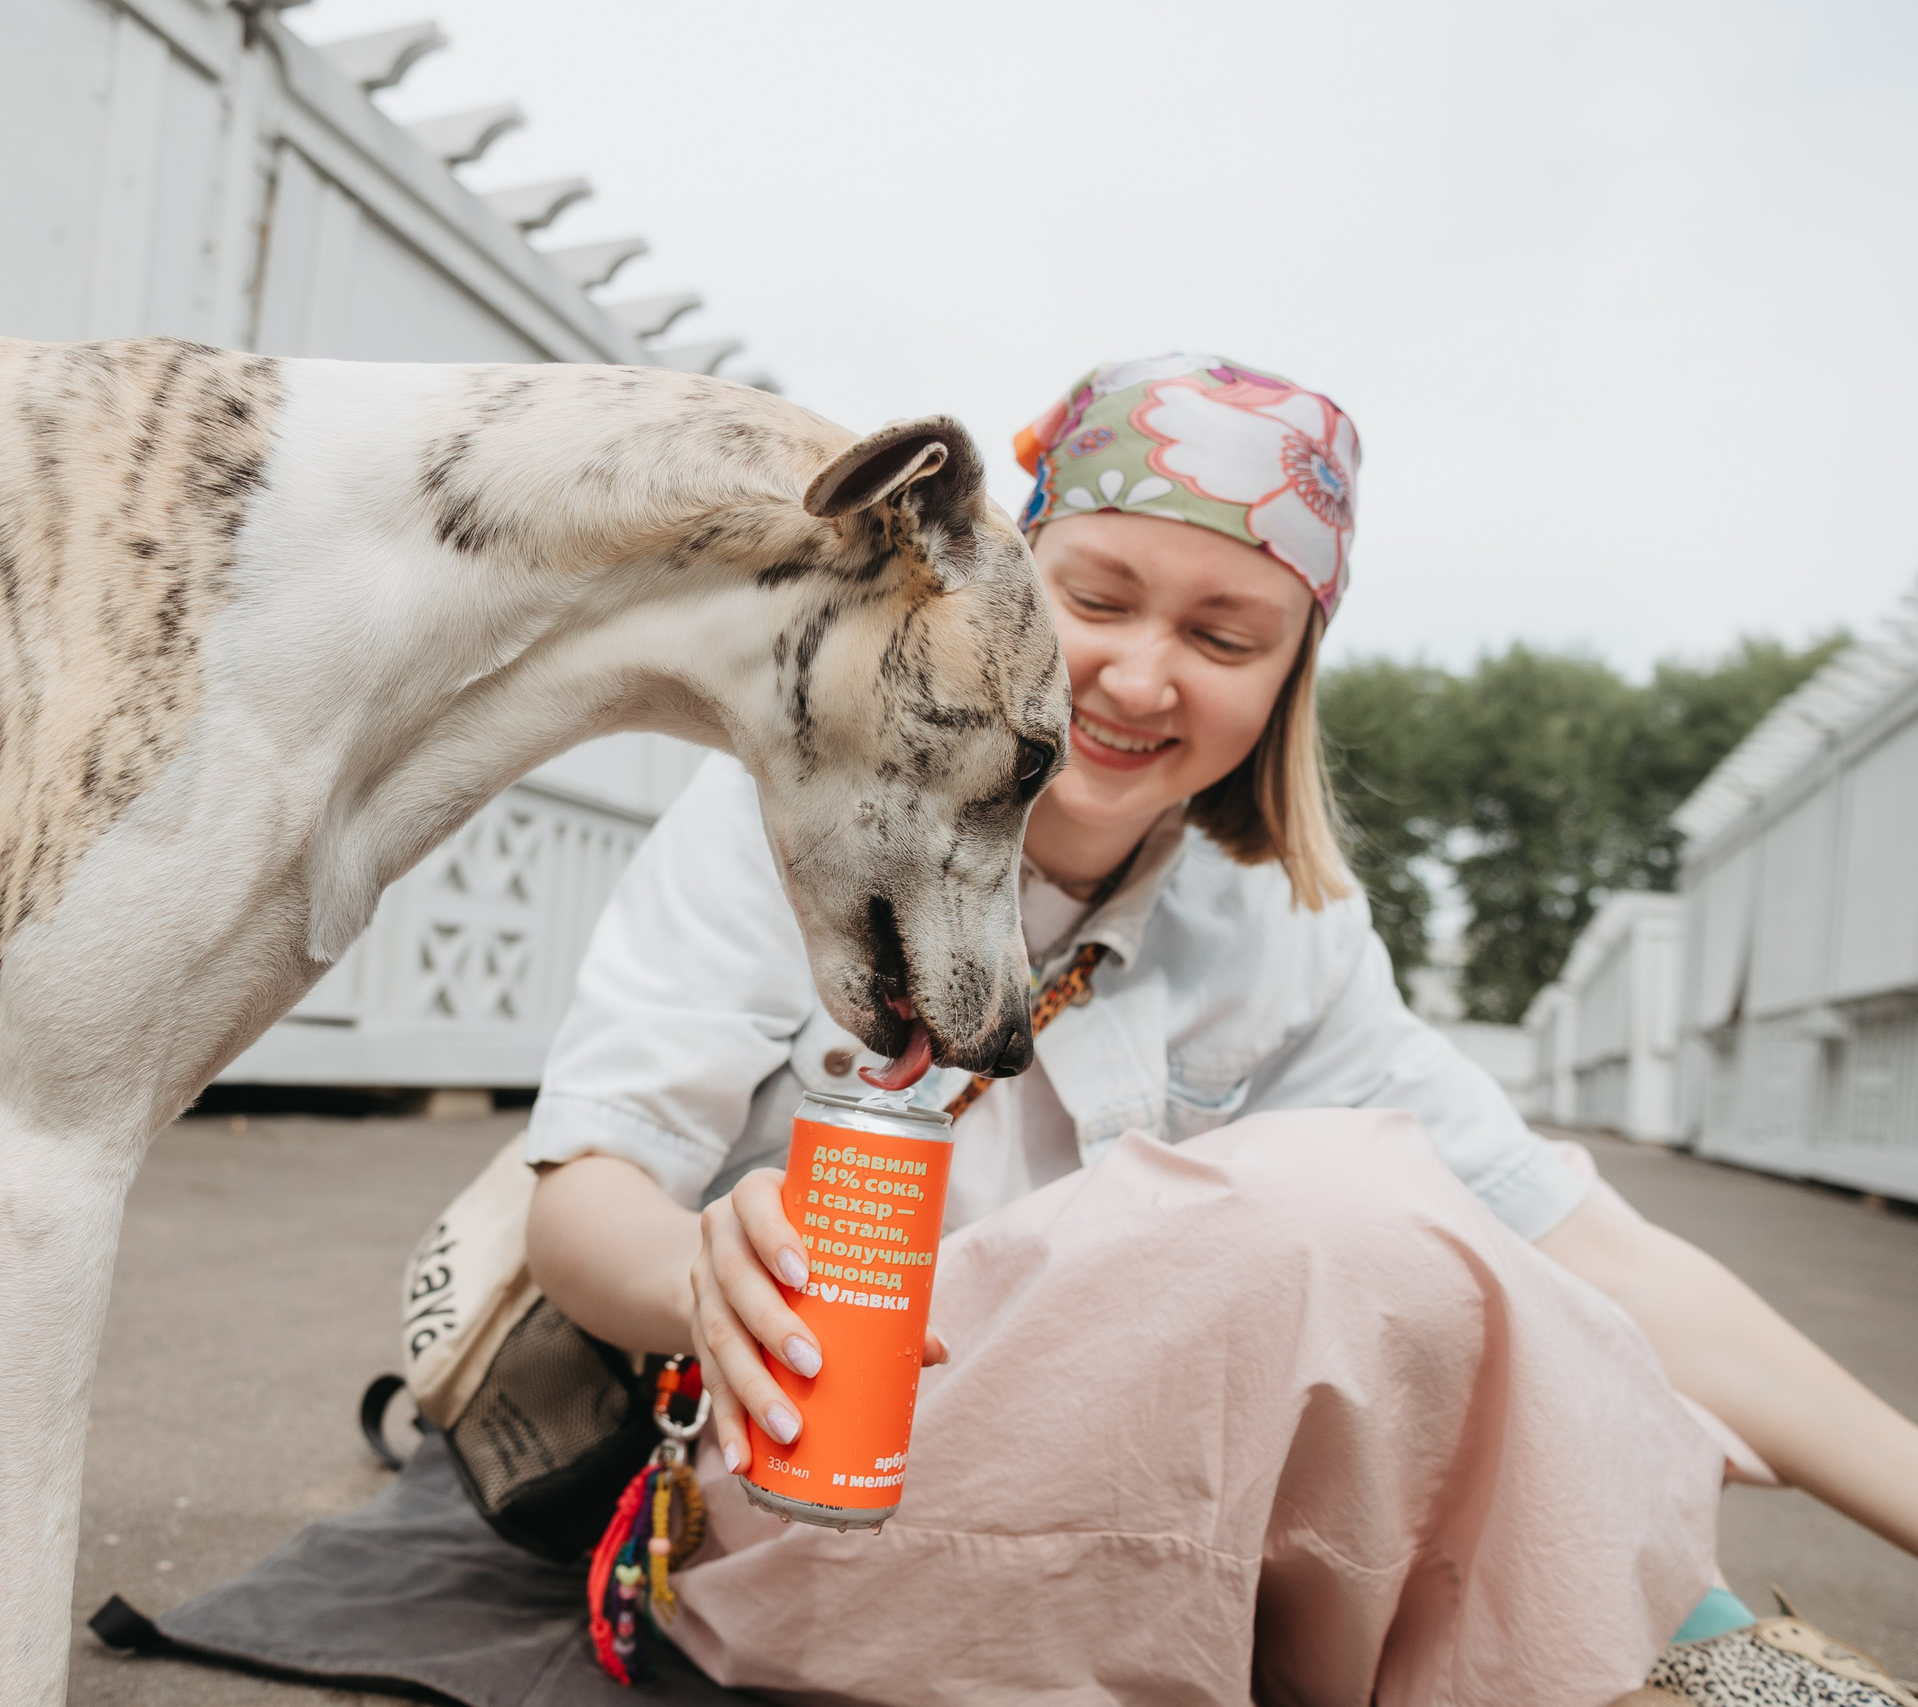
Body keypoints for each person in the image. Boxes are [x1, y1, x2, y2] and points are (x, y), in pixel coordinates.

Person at [518, 355, 1918, 1704]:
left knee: (1421, 1257)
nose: (1136, 678)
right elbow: (585, 1200)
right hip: (788, 1512)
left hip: (1131, 1513)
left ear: (1289, 678)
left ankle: (1678, 1648)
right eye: (1097, 600)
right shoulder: (786, 818)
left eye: (1222, 636)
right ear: (1001, 582)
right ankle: (1669, 1660)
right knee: (1340, 1209)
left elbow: (1580, 1247)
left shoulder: (1283, 929)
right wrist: (694, 1269)